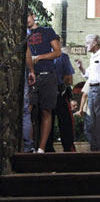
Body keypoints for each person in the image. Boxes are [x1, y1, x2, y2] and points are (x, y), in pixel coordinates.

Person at [26, 10, 61, 153]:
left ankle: (41, 148)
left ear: (33, 16)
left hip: (47, 75)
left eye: (27, 16)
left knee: (47, 112)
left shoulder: (47, 31)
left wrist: (39, 57)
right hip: (31, 76)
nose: (26, 20)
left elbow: (57, 52)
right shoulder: (24, 36)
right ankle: (31, 147)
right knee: (29, 112)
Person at [75, 34, 100, 152]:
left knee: (99, 122)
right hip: (92, 89)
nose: (85, 45)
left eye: (87, 43)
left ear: (95, 43)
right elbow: (88, 74)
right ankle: (95, 147)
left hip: (98, 90)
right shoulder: (93, 57)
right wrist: (80, 67)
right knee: (91, 122)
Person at [45, 46, 76, 152]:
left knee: (47, 120)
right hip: (60, 94)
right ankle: (68, 148)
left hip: (46, 93)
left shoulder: (42, 57)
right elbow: (68, 78)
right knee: (66, 122)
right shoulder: (63, 57)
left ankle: (48, 148)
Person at [75, 79, 93, 148]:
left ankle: (93, 146)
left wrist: (81, 109)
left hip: (89, 111)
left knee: (88, 130)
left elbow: (84, 95)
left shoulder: (90, 80)